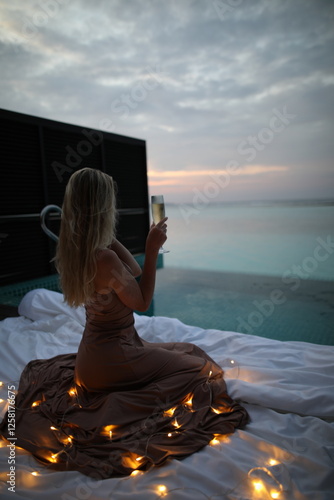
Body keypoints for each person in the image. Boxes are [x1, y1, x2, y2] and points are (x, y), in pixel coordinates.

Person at [0, 168, 248, 479]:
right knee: (199, 370)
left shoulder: (77, 248)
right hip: (116, 358)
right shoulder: (103, 259)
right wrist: (152, 249)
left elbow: (130, 270)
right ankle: (124, 401)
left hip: (93, 359)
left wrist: (106, 234)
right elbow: (141, 302)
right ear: (103, 207)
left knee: (188, 348)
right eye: (110, 204)